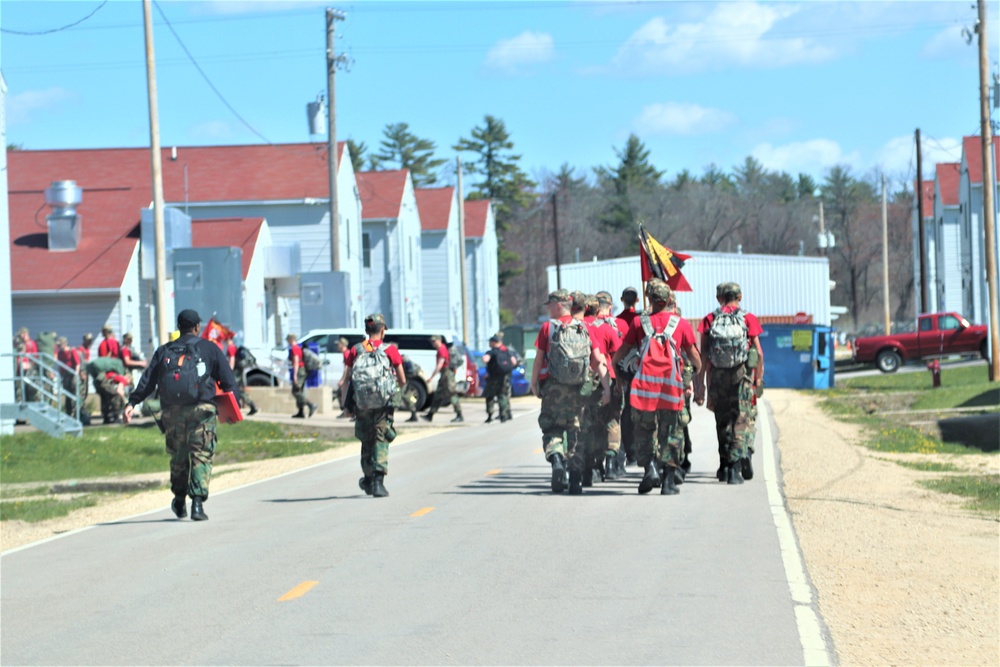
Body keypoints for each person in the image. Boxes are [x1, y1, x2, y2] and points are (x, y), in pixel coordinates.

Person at [124, 309, 237, 521]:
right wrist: (234, 410)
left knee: (178, 456)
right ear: (197, 328)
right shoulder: (209, 348)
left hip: (172, 411)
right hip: (201, 410)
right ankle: (196, 504)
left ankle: (178, 499)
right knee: (201, 454)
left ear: (178, 327)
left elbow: (148, 380)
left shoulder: (164, 350)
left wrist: (133, 402)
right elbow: (228, 381)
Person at [612, 279, 701, 495]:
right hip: (671, 389)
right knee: (671, 433)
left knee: (644, 431)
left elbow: (621, 354)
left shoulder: (639, 324)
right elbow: (695, 359)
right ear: (669, 300)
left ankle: (650, 469)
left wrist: (619, 369)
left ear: (650, 300)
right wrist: (691, 374)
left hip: (644, 390)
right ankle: (669, 482)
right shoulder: (680, 324)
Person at [530, 289, 610, 495]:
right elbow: (599, 360)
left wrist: (533, 384)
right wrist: (607, 387)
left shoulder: (547, 328)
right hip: (578, 390)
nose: (548, 309)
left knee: (552, 428)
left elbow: (539, 360)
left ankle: (556, 458)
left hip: (553, 389)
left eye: (549, 305)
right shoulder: (584, 328)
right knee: (576, 431)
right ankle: (575, 481)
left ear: (558, 306)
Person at [694, 282, 765, 485]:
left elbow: (704, 355)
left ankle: (724, 466)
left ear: (721, 297)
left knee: (722, 421)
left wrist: (701, 384)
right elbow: (758, 352)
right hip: (741, 377)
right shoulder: (748, 318)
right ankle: (735, 468)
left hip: (718, 376)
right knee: (740, 420)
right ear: (739, 297)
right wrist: (758, 378)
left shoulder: (710, 319)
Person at [344, 313, 406, 498]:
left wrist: (346, 406)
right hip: (383, 404)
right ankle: (378, 482)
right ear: (382, 330)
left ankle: (368, 479)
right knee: (380, 438)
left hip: (361, 403)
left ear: (366, 330)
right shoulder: (390, 350)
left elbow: (348, 380)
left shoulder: (355, 350)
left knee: (366, 438)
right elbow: (402, 380)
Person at [583, 292, 624, 482]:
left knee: (592, 424)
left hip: (586, 381)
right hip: (609, 378)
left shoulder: (580, 328)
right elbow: (618, 357)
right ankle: (611, 463)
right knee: (612, 420)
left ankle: (594, 466)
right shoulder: (609, 328)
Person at [615, 287, 641, 468]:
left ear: (622, 299)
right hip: (641, 371)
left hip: (623, 371)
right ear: (638, 300)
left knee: (625, 415)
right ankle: (638, 450)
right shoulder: (641, 320)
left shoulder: (618, 321)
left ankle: (628, 452)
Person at [422, 335, 464, 423]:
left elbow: (439, 365)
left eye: (434, 341)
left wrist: (431, 377)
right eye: (432, 341)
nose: (433, 343)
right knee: (438, 395)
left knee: (452, 394)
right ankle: (430, 415)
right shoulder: (442, 349)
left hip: (447, 375)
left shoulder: (442, 350)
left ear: (439, 340)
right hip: (444, 375)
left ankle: (459, 415)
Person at [481, 333, 517, 424]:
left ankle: (490, 415)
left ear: (493, 343)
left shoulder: (491, 352)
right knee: (502, 396)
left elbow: (485, 359)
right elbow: (514, 362)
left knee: (490, 397)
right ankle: (503, 415)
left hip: (492, 378)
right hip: (503, 378)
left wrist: (484, 359)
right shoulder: (506, 351)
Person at [286, 333, 317, 419]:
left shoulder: (295, 349)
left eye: (288, 340)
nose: (288, 342)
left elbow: (296, 361)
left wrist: (295, 375)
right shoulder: (299, 348)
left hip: (299, 370)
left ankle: (311, 405)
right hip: (302, 370)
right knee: (300, 391)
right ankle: (300, 412)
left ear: (291, 340)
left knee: (295, 391)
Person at [55, 336, 82, 418]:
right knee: (67, 394)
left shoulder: (72, 351)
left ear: (64, 344)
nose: (59, 347)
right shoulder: (60, 353)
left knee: (74, 393)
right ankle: (68, 411)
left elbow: (77, 363)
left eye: (60, 345)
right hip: (65, 375)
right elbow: (60, 365)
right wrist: (60, 375)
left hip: (72, 374)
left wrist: (76, 374)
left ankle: (76, 411)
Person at [231, 343, 259, 416]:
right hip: (239, 371)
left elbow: (232, 360)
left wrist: (229, 371)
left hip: (236, 372)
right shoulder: (235, 348)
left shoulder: (231, 348)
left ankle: (251, 406)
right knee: (239, 390)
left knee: (236, 390)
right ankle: (252, 406)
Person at [13, 327, 39, 404]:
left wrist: (29, 365)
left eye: (21, 334)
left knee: (30, 389)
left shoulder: (31, 343)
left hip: (28, 370)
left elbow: (35, 357)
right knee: (19, 390)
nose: (21, 336)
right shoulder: (18, 343)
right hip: (19, 371)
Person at [77, 333, 94, 424]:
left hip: (86, 372)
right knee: (82, 393)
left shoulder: (87, 349)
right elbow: (79, 362)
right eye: (88, 340)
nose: (90, 342)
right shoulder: (81, 349)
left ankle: (82, 411)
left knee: (85, 393)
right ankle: (80, 412)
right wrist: (81, 372)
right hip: (82, 373)